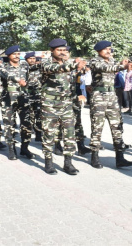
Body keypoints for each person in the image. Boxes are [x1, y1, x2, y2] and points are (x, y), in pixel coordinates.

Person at [40, 38, 86, 175]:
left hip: (67, 104)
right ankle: (48, 163)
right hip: (50, 104)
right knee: (49, 134)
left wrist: (77, 96)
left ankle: (68, 163)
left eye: (64, 50)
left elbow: (72, 84)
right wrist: (73, 66)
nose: (62, 52)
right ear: (52, 51)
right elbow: (56, 69)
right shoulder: (46, 63)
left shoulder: (68, 64)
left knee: (69, 134)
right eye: (59, 50)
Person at [88, 40, 132, 169]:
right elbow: (105, 68)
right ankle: (95, 157)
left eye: (110, 49)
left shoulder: (112, 61)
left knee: (117, 127)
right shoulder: (94, 61)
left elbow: (115, 67)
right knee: (97, 127)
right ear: (99, 50)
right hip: (99, 96)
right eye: (106, 49)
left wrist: (125, 65)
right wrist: (122, 66)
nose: (109, 51)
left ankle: (120, 158)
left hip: (112, 96)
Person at [0, 45, 34, 160]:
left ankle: (24, 148)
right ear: (9, 55)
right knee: (10, 125)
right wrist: (18, 80)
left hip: (23, 99)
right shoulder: (3, 67)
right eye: (14, 54)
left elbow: (27, 79)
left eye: (18, 54)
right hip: (8, 100)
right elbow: (8, 76)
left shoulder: (25, 66)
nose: (17, 56)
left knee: (27, 125)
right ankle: (11, 149)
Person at [25, 52, 43, 142]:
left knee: (39, 116)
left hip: (38, 95)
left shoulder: (40, 70)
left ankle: (38, 134)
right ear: (26, 60)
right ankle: (29, 133)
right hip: (28, 95)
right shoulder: (24, 69)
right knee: (29, 116)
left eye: (33, 58)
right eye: (30, 58)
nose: (32, 60)